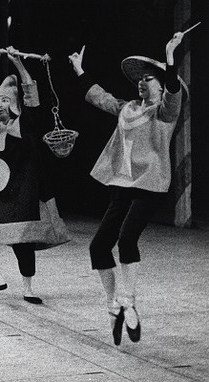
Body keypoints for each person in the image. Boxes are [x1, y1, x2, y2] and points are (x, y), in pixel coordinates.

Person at [68, 31, 187, 345]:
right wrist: (81, 71)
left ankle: (129, 301)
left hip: (150, 185)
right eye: (141, 79)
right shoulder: (129, 108)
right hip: (122, 183)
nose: (142, 83)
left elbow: (174, 90)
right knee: (98, 246)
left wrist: (170, 58)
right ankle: (113, 305)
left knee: (126, 239)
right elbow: (100, 98)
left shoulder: (166, 111)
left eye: (149, 79)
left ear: (161, 87)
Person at [0, 47, 70, 305]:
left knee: (22, 239)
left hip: (21, 187)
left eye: (5, 100)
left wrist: (19, 65)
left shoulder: (25, 123)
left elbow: (31, 93)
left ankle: (28, 288)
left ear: (16, 103)